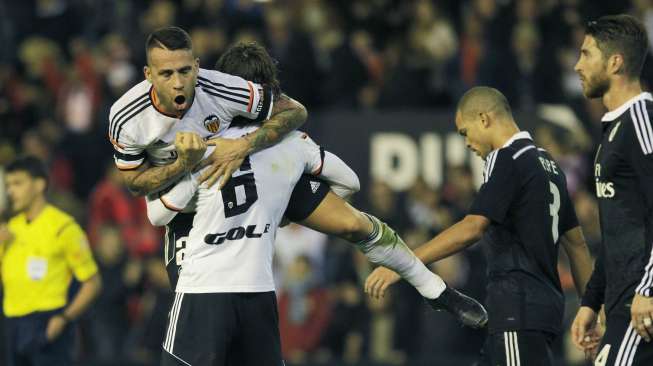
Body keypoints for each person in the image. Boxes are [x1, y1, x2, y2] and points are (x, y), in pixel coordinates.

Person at [148, 42, 488, 365]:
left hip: (203, 282)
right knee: (359, 225)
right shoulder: (292, 139)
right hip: (258, 285)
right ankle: (435, 289)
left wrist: (193, 175)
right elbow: (350, 182)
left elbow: (158, 212)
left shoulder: (197, 141)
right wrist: (281, 202)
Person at [365, 87, 594, 366]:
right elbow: (577, 245)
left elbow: (472, 227)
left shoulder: (506, 157)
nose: (466, 143)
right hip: (535, 311)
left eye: (464, 132)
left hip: (517, 310)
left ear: (484, 119)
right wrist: (591, 308)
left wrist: (403, 263)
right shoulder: (549, 165)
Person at [107, 26, 307, 198]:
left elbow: (295, 111)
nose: (178, 83)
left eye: (184, 71)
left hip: (230, 184)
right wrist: (184, 164)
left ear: (196, 67)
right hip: (173, 196)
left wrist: (241, 145)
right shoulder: (125, 118)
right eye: (166, 74)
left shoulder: (221, 88)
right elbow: (134, 184)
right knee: (157, 215)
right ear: (148, 75)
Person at [571, 14, 653, 364]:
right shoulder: (613, 130)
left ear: (615, 62)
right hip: (622, 304)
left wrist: (649, 289)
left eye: (586, 54)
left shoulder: (642, 120)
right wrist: (592, 300)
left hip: (641, 304)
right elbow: (617, 230)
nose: (577, 65)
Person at [0, 156, 102, 366]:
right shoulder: (10, 229)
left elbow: (93, 283)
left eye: (17, 183)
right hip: (11, 323)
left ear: (39, 185)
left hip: (47, 322)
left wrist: (64, 318)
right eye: (8, 185)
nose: (10, 191)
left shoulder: (63, 228)